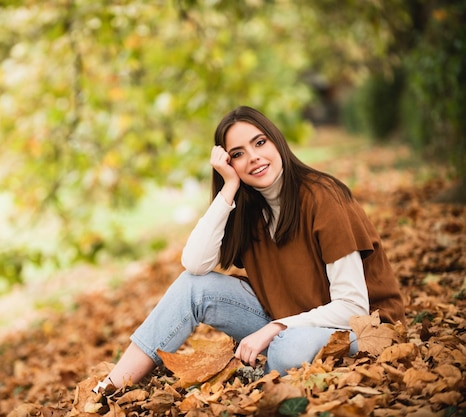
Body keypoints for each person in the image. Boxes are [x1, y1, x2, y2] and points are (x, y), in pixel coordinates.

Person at [93, 105, 405, 393]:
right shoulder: (249, 210)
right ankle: (110, 389)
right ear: (229, 163)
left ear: (277, 142)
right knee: (194, 287)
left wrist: (274, 328)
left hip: (359, 329)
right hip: (288, 322)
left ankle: (261, 371)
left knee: (287, 348)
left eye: (260, 143)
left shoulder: (323, 197)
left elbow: (353, 308)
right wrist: (228, 188)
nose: (253, 157)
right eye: (238, 154)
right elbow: (195, 264)